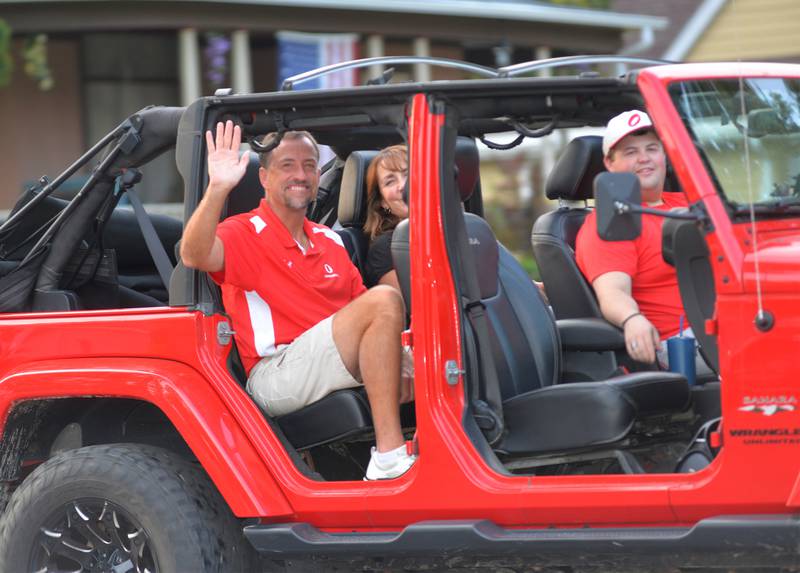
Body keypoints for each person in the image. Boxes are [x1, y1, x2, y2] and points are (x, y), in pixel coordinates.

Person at [180, 121, 415, 480]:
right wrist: (218, 187)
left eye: (309, 165)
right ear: (264, 178)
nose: (301, 174)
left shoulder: (330, 240)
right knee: (385, 301)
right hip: (276, 370)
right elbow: (194, 255)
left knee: (440, 353)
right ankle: (388, 457)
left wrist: (405, 360)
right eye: (287, 165)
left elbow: (366, 315)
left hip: (330, 357)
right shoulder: (244, 231)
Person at [576, 110, 710, 373]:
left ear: (664, 155)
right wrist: (632, 319)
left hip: (732, 322)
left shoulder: (688, 202)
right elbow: (612, 292)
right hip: (683, 344)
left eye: (652, 148)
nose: (644, 158)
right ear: (609, 163)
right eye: (630, 152)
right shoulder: (612, 223)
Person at [363, 145, 408, 289]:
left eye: (407, 174)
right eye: (390, 181)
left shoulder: (463, 229)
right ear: (383, 202)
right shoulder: (385, 249)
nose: (402, 186)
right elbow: (410, 306)